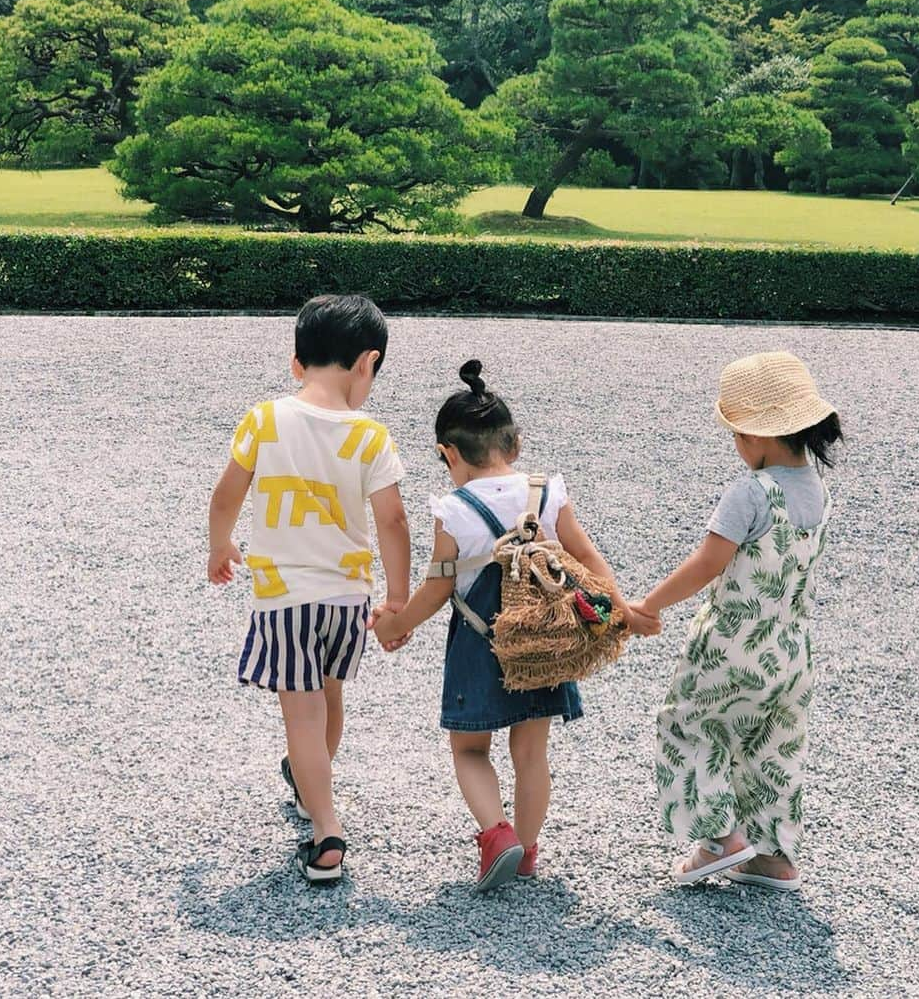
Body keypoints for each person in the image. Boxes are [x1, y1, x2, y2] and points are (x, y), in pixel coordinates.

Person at [373, 359, 656, 892]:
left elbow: (438, 587)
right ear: (515, 444)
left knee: (470, 749)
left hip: (482, 639)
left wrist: (397, 624)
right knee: (531, 752)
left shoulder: (455, 508)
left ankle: (496, 833)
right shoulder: (546, 492)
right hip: (544, 639)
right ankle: (526, 852)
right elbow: (587, 556)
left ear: (448, 454)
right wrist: (623, 611)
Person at [207, 294, 410, 885]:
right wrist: (397, 598)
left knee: (300, 713)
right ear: (367, 363)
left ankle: (326, 834)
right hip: (348, 597)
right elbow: (393, 521)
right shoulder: (371, 435)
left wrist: (221, 546)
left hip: (284, 595)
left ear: (297, 363)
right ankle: (309, 788)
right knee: (329, 693)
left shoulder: (264, 419)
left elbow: (227, 494)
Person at [629, 351, 842, 891]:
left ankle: (719, 841)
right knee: (774, 745)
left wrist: (648, 605)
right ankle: (774, 859)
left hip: (733, 646)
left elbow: (706, 565)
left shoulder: (751, 493)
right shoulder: (817, 490)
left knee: (690, 722)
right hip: (790, 652)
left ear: (757, 436)